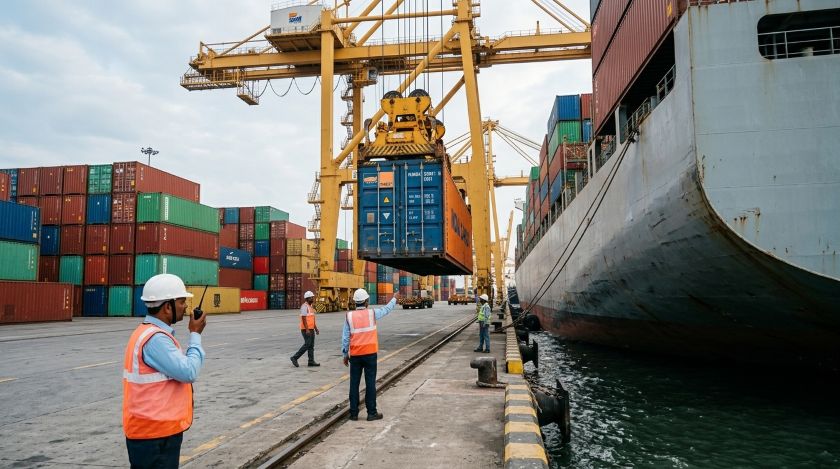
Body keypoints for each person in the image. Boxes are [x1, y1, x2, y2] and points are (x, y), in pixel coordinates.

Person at [122, 274, 207, 469]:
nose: (185, 306)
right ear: (167, 307)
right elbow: (188, 372)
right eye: (182, 301)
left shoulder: (147, 332)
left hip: (154, 430)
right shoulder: (155, 339)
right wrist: (195, 335)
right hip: (154, 435)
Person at [342, 289, 397, 421]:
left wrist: (345, 354)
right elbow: (386, 309)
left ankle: (353, 414)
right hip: (370, 354)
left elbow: (345, 338)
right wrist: (394, 298)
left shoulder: (349, 316)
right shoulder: (372, 313)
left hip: (355, 355)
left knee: (354, 384)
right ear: (366, 302)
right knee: (370, 383)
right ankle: (371, 413)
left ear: (355, 302)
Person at [290, 290, 320, 367]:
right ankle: (294, 357)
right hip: (306, 329)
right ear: (307, 298)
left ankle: (311, 361)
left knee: (311, 345)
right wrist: (307, 329)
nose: (313, 299)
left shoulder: (311, 306)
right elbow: (303, 318)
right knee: (307, 344)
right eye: (311, 298)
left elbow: (312, 319)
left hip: (311, 329)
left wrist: (315, 328)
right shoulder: (304, 306)